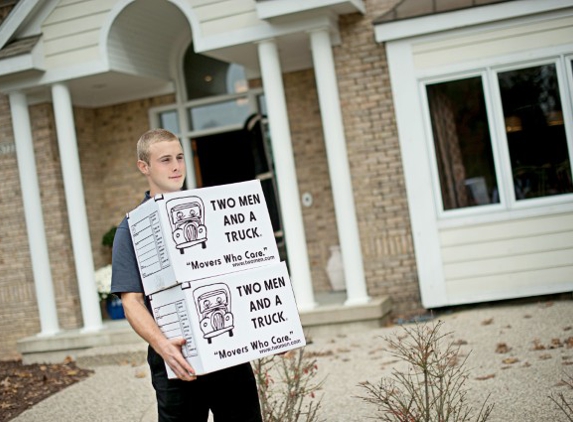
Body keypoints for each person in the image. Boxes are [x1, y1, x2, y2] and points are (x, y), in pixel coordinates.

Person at [110, 128, 263, 422]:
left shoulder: (212, 212)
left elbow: (243, 275)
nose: (176, 166)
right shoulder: (131, 229)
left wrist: (269, 334)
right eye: (165, 159)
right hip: (175, 361)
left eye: (179, 157)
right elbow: (131, 302)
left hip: (229, 356)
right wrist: (163, 346)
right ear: (144, 167)